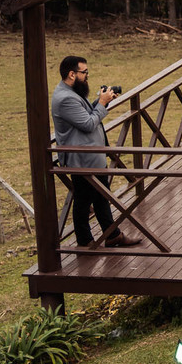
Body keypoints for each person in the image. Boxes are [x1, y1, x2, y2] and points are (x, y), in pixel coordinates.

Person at [51, 56, 140, 248]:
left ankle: (112, 235)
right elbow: (88, 123)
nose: (87, 76)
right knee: (83, 201)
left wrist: (103, 102)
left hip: (90, 156)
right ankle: (85, 243)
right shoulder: (65, 98)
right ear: (72, 74)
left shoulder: (72, 92)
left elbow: (85, 114)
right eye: (85, 72)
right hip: (81, 159)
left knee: (101, 196)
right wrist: (100, 103)